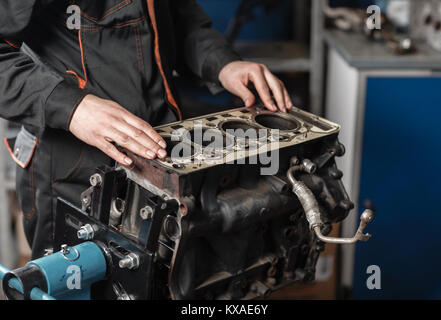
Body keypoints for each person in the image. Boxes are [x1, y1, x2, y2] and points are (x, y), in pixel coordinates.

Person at [0, 0, 293, 259]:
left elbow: (179, 19)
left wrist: (223, 64)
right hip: (74, 175)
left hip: (162, 159)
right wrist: (71, 107)